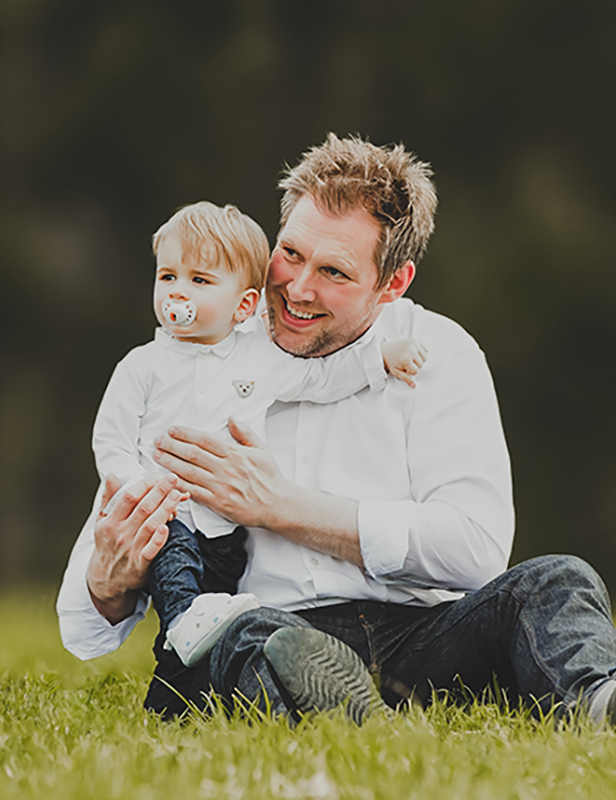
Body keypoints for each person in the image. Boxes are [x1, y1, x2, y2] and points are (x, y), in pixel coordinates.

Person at [58, 134, 616, 729]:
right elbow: (83, 626)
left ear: (393, 283)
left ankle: (602, 702)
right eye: (290, 254)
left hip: (424, 635)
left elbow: (475, 550)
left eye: (335, 272)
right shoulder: (201, 354)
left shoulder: (439, 352)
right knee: (243, 635)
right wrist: (108, 585)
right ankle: (341, 711)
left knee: (556, 580)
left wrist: (283, 508)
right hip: (271, 625)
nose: (296, 288)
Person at [86, 200, 427, 669]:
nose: (176, 292)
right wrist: (138, 490)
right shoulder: (142, 365)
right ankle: (185, 621)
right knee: (177, 575)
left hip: (227, 528)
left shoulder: (259, 358)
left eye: (199, 280)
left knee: (220, 601)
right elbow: (111, 439)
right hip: (167, 513)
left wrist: (380, 360)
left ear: (244, 303)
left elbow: (320, 379)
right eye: (168, 276)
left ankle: (184, 679)